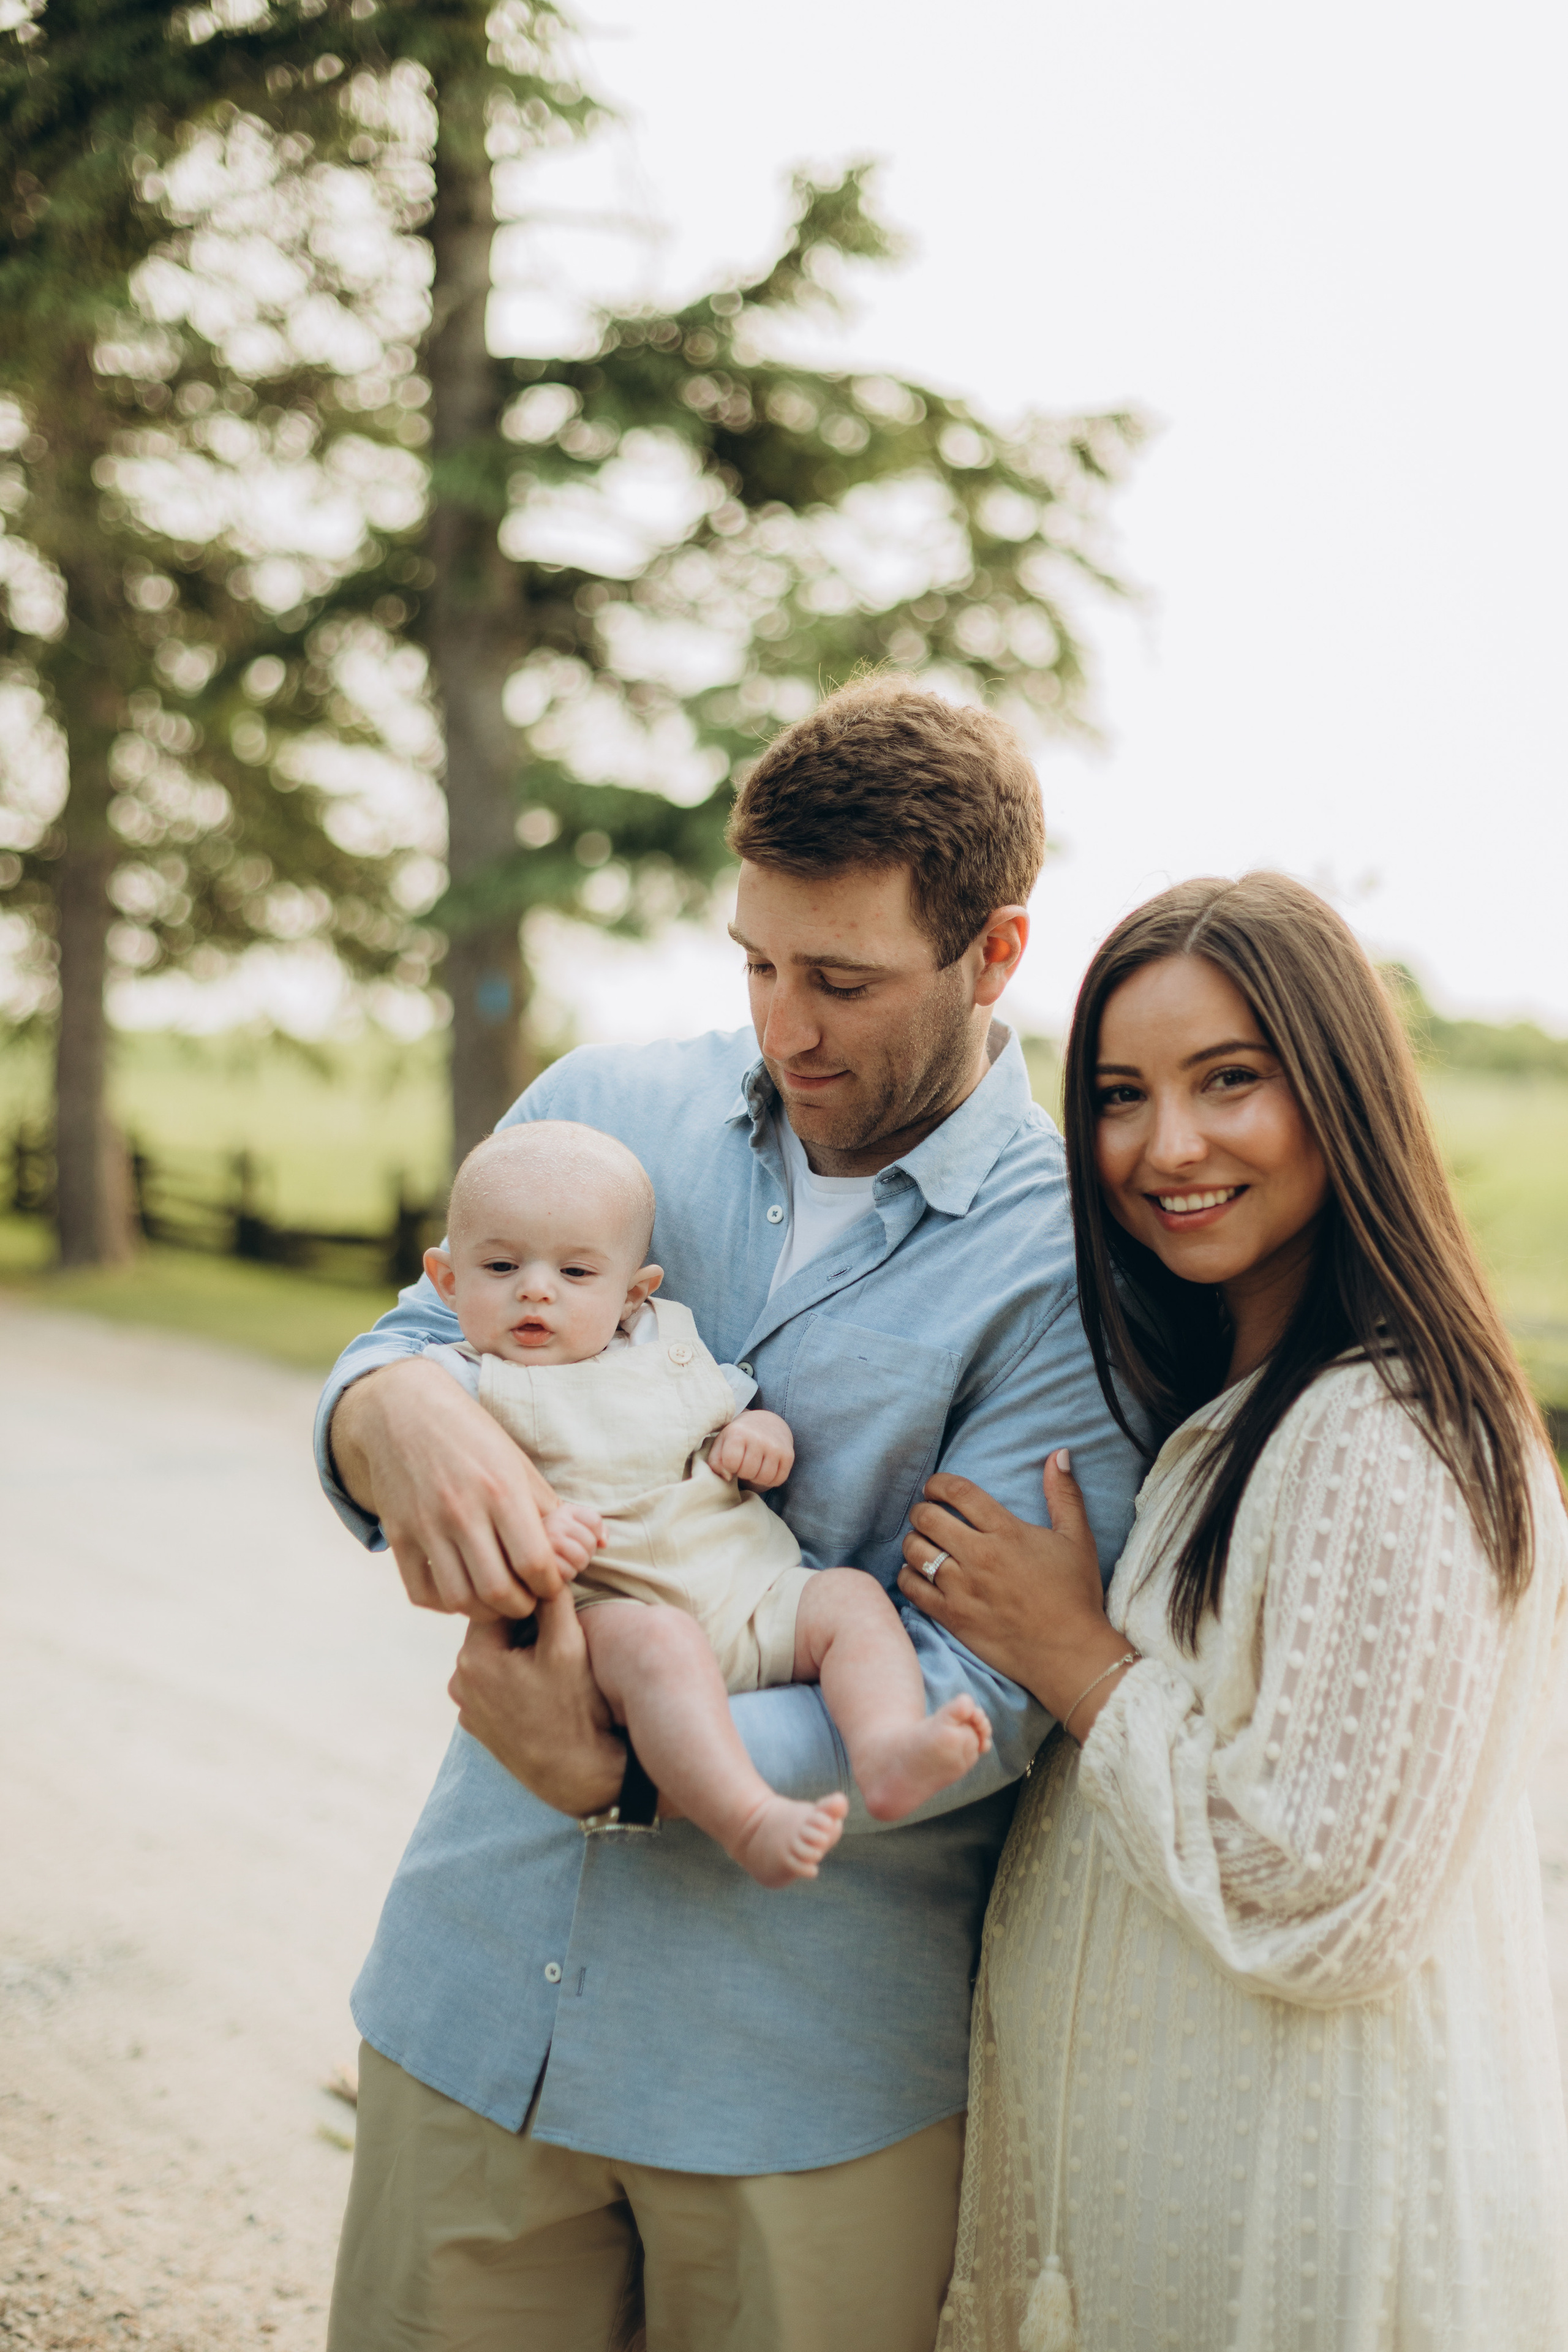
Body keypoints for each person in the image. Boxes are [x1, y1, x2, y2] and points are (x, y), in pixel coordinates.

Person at [314, 677, 1145, 2352]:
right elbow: (415, 1342)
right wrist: (381, 1407)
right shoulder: (602, 1108)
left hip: (803, 2091)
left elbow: (978, 1687)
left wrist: (625, 1771)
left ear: (995, 955)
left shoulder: (1079, 1273)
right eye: (757, 964)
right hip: (476, 2004)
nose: (788, 1024)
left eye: (843, 980)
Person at [895, 872, 1568, 2352]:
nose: (1163, 1145)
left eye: (1227, 1080)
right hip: (1177, 2237)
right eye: (1119, 1094)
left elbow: (1320, 1901)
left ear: (1336, 1092)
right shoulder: (1240, 1407)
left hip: (1309, 2250)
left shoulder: (1386, 1435)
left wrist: (1076, 1659)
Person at [418, 1117, 993, 1888]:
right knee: (664, 1649)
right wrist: (536, 1534)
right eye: (500, 1265)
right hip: (609, 1614)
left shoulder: (665, 1342)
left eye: (577, 1274)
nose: (535, 1288)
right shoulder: (459, 1382)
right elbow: (446, 1485)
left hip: (754, 1594)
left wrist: (758, 1432)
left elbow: (722, 1414)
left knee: (851, 1600)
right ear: (449, 1280)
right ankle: (749, 1817)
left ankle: (887, 1746)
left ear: (634, 1293)